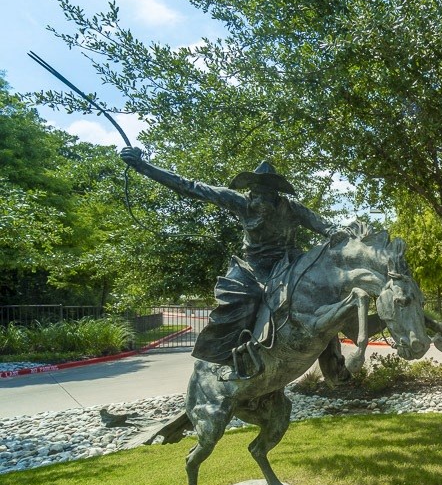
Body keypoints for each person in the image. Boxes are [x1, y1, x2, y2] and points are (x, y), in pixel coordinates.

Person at [119, 147, 346, 376]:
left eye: (264, 192)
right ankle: (231, 357)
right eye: (255, 191)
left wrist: (336, 231)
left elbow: (324, 226)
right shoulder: (240, 202)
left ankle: (333, 362)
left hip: (290, 264)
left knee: (322, 294)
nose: (258, 197)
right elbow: (191, 187)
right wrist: (143, 166)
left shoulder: (292, 208)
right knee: (245, 300)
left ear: (275, 192)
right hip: (255, 267)